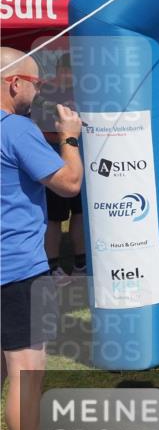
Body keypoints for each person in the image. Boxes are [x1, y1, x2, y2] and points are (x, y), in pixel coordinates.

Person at [1, 47, 84, 430]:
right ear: (15, 83)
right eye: (35, 82)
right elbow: (69, 184)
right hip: (17, 267)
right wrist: (69, 138)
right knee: (26, 376)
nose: (39, 91)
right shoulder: (15, 127)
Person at [38, 57, 85, 276]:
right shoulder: (44, 94)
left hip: (79, 162)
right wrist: (66, 136)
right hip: (54, 164)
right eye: (68, 72)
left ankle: (81, 263)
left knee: (80, 213)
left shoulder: (81, 93)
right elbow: (40, 131)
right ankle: (53, 266)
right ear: (60, 70)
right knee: (55, 218)